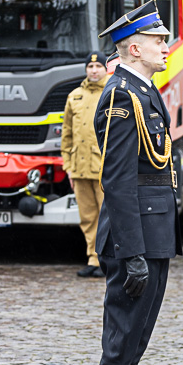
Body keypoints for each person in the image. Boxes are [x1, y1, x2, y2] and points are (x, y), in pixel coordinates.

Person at [83, 0, 182, 365]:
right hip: (134, 238)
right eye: (159, 41)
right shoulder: (121, 96)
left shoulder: (143, 90)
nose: (166, 47)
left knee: (134, 346)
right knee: (120, 345)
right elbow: (118, 181)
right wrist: (132, 251)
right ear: (135, 48)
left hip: (152, 233)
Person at [62, 52, 110, 278]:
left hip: (103, 168)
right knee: (88, 218)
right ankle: (93, 258)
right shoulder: (74, 96)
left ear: (106, 69)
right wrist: (68, 167)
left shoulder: (112, 94)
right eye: (90, 66)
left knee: (106, 218)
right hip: (80, 168)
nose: (94, 70)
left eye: (98, 65)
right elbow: (67, 135)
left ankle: (106, 260)